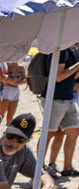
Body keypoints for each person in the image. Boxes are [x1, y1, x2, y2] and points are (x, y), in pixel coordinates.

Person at [42, 44, 79, 176]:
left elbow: (73, 76)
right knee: (50, 133)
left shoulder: (73, 50)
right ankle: (40, 166)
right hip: (55, 98)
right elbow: (59, 77)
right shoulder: (60, 50)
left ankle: (67, 167)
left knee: (73, 131)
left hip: (69, 97)